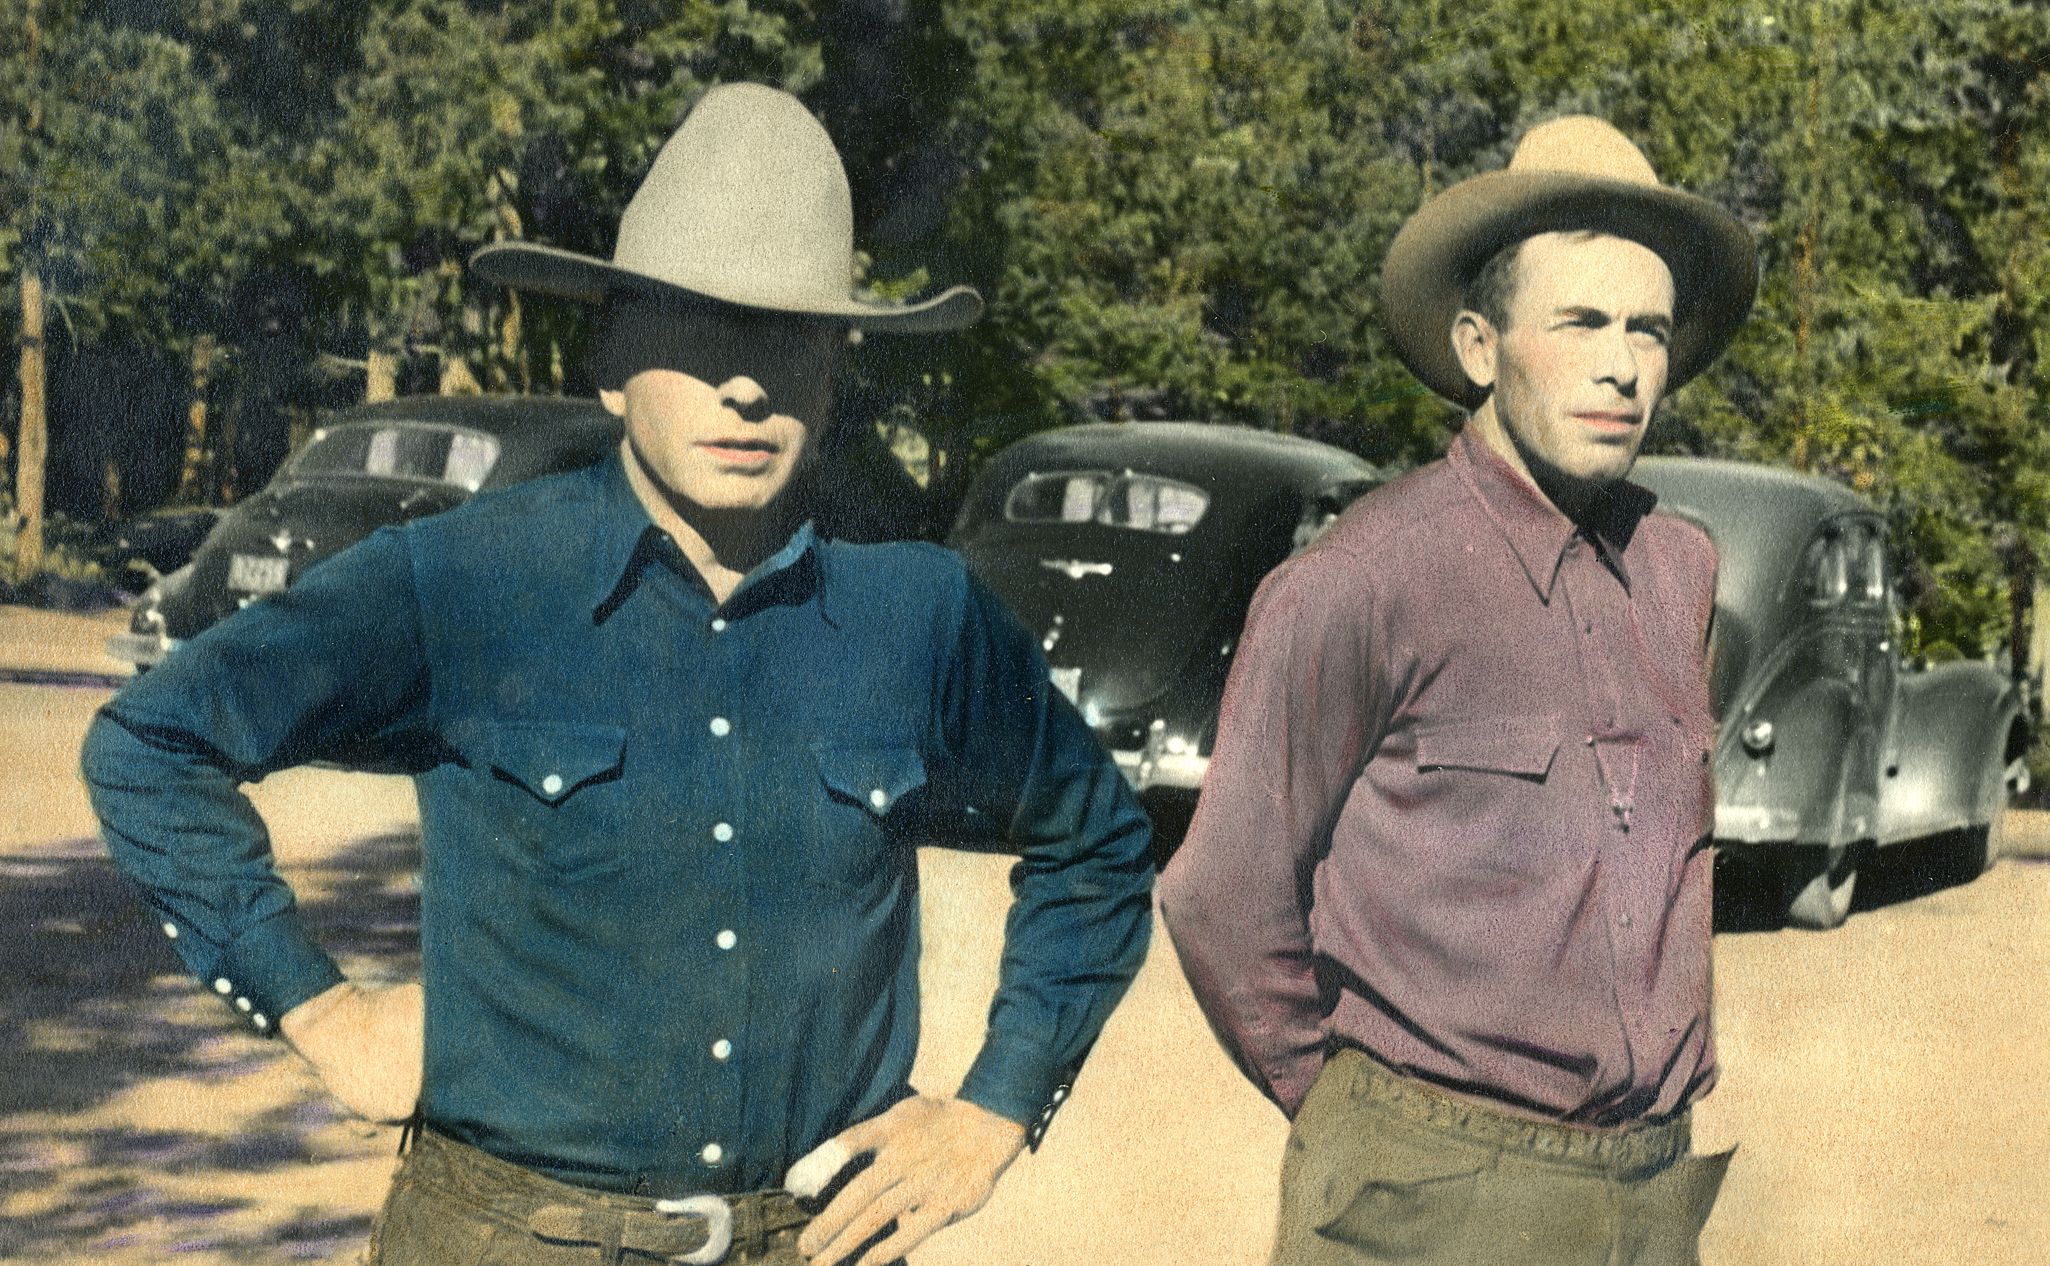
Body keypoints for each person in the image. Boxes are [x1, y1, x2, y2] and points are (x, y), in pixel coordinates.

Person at [81, 82, 1153, 1266]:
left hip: (807, 1242)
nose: (746, 386)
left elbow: (1098, 845)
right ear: (613, 359)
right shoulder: (466, 577)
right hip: (508, 1237)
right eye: (701, 333)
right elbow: (149, 742)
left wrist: (998, 1109)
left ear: (835, 372)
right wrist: (321, 1009)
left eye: (787, 339)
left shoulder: (921, 610)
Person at [1156, 115, 1757, 1266]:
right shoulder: (1359, 581)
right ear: (1480, 346)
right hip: (1429, 1190)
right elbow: (1221, 896)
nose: (1622, 365)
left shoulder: (1678, 569)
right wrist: (1358, 1119)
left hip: (1651, 1192)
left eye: (1647, 329)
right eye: (1579, 322)